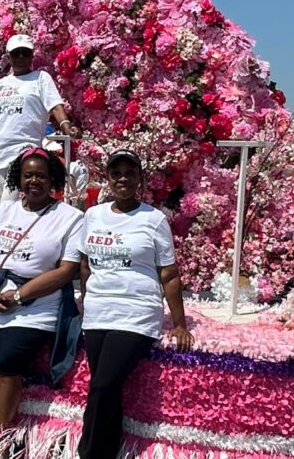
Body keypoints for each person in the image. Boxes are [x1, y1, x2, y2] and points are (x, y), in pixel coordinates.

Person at [0, 148, 83, 459]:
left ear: (53, 178)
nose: (34, 180)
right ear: (18, 179)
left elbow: (67, 270)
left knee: (6, 361)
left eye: (41, 175)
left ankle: (1, 440)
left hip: (36, 307)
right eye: (28, 175)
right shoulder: (4, 210)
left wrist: (21, 296)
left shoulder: (71, 217)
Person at [78, 149, 194, 459]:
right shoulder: (93, 215)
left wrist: (179, 324)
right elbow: (85, 264)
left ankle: (87, 454)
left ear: (140, 178)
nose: (123, 178)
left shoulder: (153, 219)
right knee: (105, 389)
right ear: (108, 178)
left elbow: (168, 274)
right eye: (117, 173)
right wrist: (86, 300)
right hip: (98, 314)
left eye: (130, 172)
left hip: (136, 314)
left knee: (103, 385)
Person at [0, 34, 79, 211]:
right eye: (16, 53)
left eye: (25, 53)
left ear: (31, 56)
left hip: (23, 148)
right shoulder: (3, 82)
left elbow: (54, 105)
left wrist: (66, 125)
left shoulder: (41, 78)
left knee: (9, 205)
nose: (20, 57)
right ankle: (0, 238)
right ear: (9, 56)